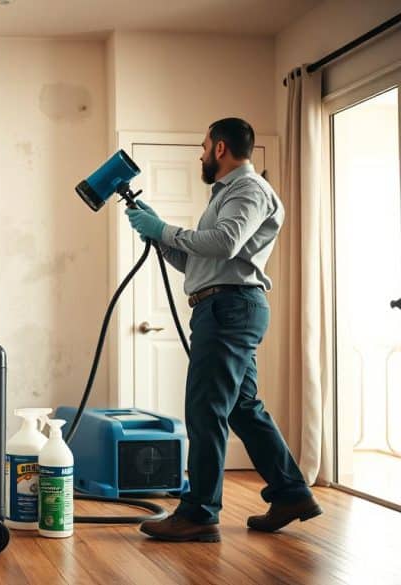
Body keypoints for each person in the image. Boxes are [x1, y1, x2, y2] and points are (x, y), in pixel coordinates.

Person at [124, 117, 321, 543]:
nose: (200, 152)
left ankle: (199, 513)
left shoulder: (249, 190)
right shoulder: (226, 196)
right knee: (241, 408)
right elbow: (201, 261)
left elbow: (225, 242)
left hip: (230, 307)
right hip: (224, 305)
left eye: (202, 144)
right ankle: (291, 493)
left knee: (205, 407)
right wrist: (159, 237)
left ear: (219, 148)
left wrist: (167, 230)